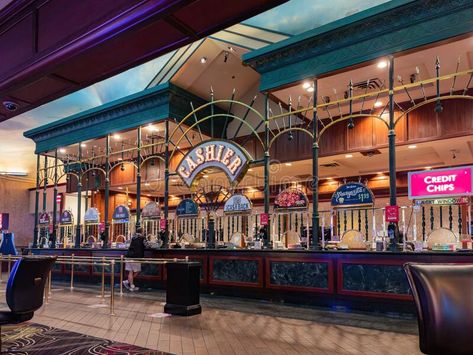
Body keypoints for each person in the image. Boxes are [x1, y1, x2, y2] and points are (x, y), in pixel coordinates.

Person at [123, 227, 150, 291]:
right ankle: (127, 282)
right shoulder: (142, 238)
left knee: (130, 271)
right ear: (142, 231)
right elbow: (147, 245)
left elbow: (128, 245)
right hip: (136, 256)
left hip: (129, 255)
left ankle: (131, 286)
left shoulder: (133, 237)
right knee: (137, 271)